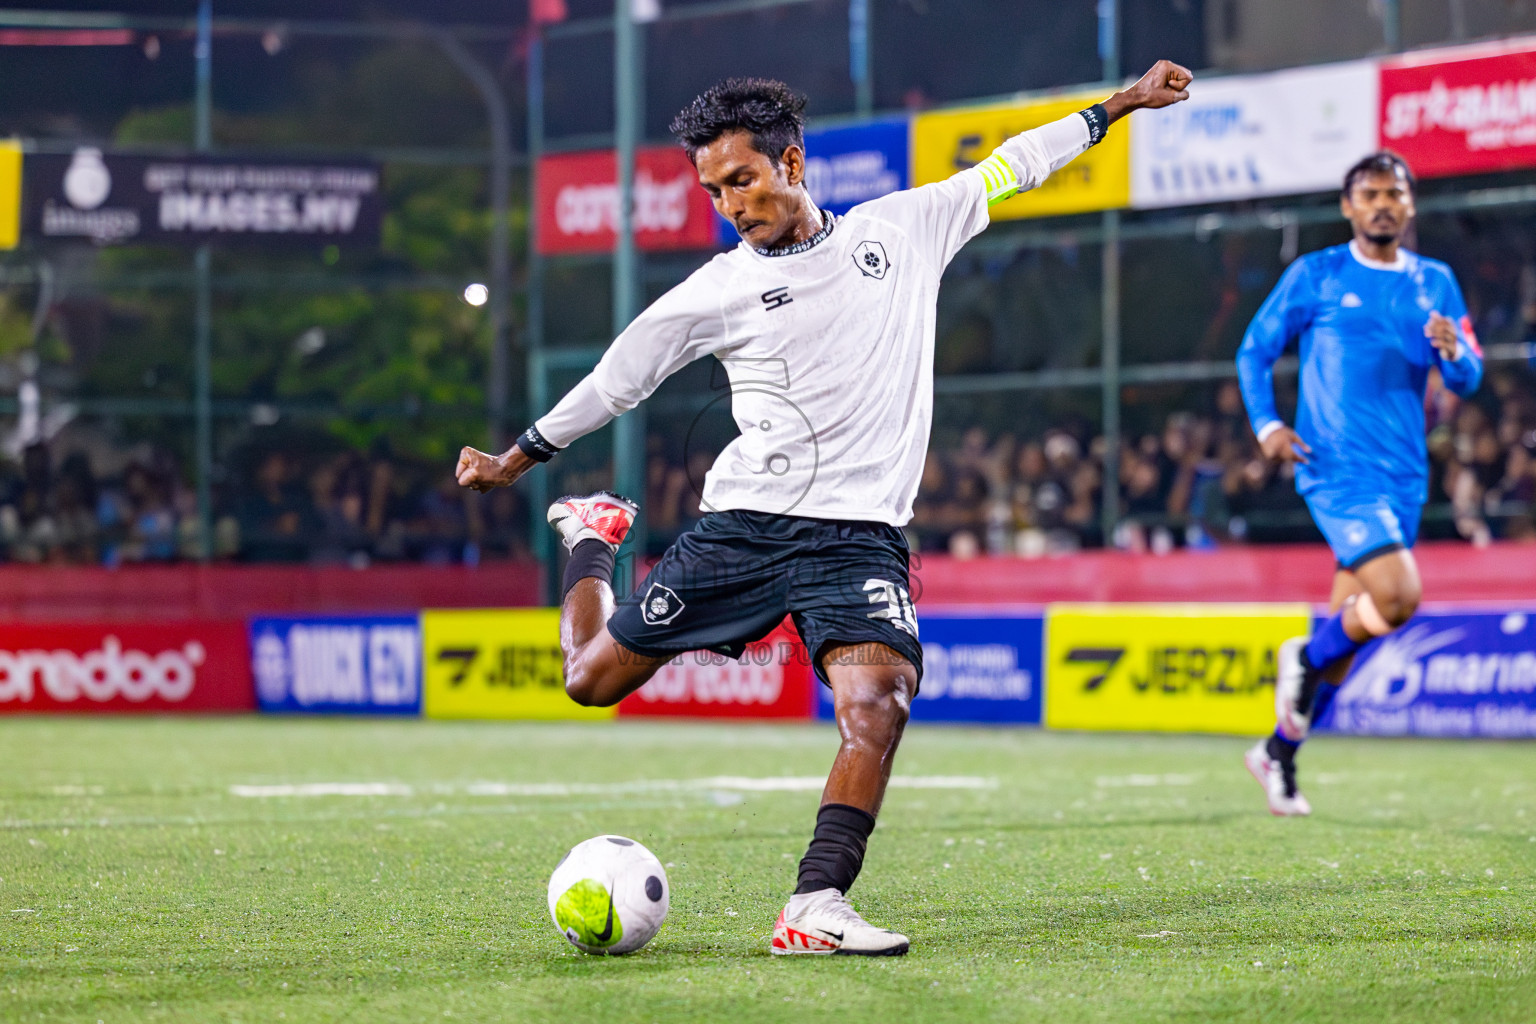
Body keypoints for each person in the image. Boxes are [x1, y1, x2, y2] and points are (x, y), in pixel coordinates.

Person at [457, 62, 1193, 954]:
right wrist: (517, 458)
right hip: (747, 528)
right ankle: (590, 535)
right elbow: (616, 379)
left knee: (879, 701)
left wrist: (1117, 105)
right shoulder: (716, 290)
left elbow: (1014, 165)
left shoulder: (905, 228)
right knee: (589, 681)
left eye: (744, 179)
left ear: (792, 162)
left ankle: (814, 905)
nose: (732, 202)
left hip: (861, 538)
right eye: (715, 190)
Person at [1236, 152, 1483, 816]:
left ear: (1409, 206)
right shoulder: (1315, 274)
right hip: (1335, 470)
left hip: (1404, 475)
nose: (1382, 203)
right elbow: (1254, 351)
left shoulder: (1436, 281)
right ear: (1348, 207)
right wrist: (1267, 427)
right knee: (1399, 596)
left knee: (1347, 648)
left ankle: (1277, 754)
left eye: (1394, 193)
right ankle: (1304, 658)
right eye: (1369, 193)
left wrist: (1454, 356)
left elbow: (1470, 376)